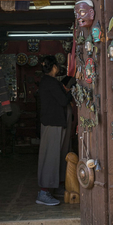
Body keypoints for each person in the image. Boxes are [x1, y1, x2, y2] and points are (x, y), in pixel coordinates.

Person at [36, 55, 72, 206]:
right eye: (57, 66)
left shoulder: (47, 82)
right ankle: (44, 192)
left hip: (54, 123)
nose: (58, 69)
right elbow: (63, 101)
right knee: (50, 157)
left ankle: (52, 187)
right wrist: (72, 90)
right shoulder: (50, 82)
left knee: (56, 156)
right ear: (54, 67)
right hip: (52, 124)